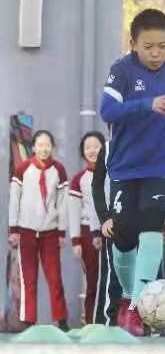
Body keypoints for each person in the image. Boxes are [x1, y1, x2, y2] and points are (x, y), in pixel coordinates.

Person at [100, 8, 165, 335]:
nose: (156, 53)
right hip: (125, 166)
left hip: (162, 165)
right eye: (148, 47)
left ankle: (137, 307)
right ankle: (126, 298)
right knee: (123, 238)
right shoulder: (121, 71)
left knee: (151, 226)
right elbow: (107, 110)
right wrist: (146, 104)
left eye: (162, 46)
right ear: (133, 43)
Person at [7, 130, 69, 330]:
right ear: (33, 147)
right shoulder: (22, 169)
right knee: (28, 279)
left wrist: (62, 232)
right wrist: (13, 229)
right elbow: (14, 201)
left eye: (47, 145)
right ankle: (29, 320)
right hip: (25, 232)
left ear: (52, 147)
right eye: (40, 145)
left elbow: (62, 204)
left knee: (54, 277)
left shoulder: (59, 170)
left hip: (50, 233)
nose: (44, 148)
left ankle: (61, 320)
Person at [69, 131, 105, 323]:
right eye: (87, 147)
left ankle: (109, 320)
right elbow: (73, 212)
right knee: (92, 281)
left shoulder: (113, 175)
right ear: (83, 152)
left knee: (111, 279)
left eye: (96, 146)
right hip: (86, 233)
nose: (92, 150)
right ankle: (90, 321)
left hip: (111, 231)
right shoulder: (79, 179)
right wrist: (76, 240)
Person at [91, 141, 123, 326]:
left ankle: (148, 324)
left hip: (144, 219)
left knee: (146, 274)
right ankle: (108, 323)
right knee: (114, 274)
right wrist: (105, 218)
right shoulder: (109, 147)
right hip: (116, 220)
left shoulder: (148, 141)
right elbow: (97, 186)